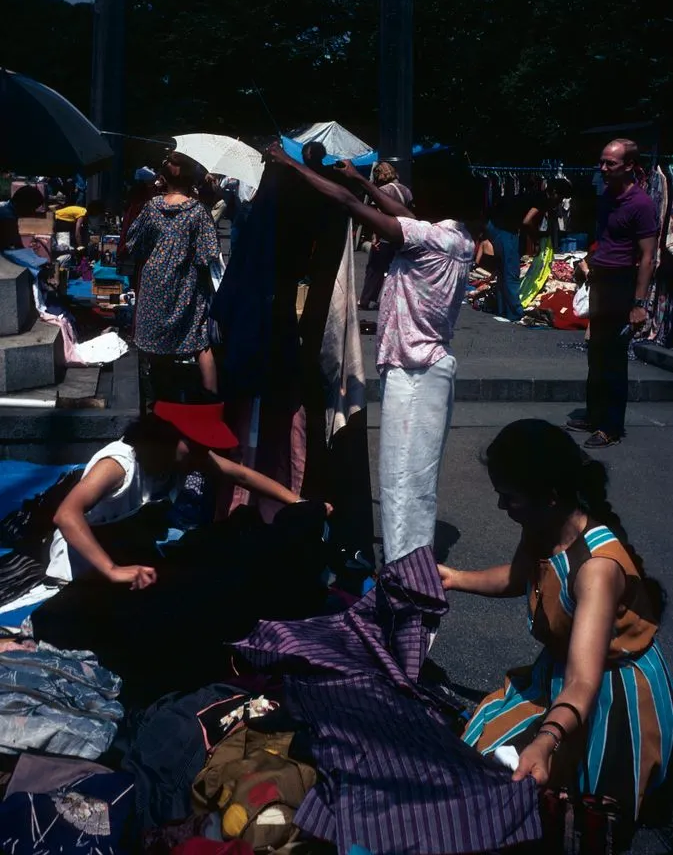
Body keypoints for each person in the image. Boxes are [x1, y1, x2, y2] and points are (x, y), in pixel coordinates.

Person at [439, 419, 672, 834]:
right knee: (485, 755)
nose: (499, 508)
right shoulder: (542, 526)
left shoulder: (596, 569)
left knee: (543, 797)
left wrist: (547, 740)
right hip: (569, 672)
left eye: (507, 498)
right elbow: (517, 577)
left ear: (548, 496)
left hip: (609, 692)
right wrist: (455, 578)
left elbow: (583, 683)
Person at [265, 142, 478, 564]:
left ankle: (405, 568)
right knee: (414, 474)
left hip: (415, 373)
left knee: (403, 479)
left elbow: (350, 205)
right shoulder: (458, 239)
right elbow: (402, 217)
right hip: (428, 369)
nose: (412, 196)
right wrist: (361, 179)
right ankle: (410, 561)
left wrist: (290, 164)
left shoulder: (428, 239)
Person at [52, 401, 332, 590]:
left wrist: (300, 504)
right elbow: (66, 514)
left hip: (126, 543)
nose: (201, 455)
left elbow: (241, 475)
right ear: (167, 436)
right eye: (196, 445)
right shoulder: (118, 465)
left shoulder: (184, 457)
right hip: (85, 559)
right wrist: (112, 570)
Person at [567, 140, 658, 449]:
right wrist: (588, 261)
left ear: (629, 165)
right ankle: (595, 415)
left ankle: (611, 427)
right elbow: (605, 239)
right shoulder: (606, 195)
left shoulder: (642, 204)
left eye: (610, 164)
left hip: (622, 283)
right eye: (602, 162)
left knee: (613, 358)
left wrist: (638, 304)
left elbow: (648, 257)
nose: (602, 169)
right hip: (601, 279)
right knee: (596, 353)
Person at [126, 152, 221, 395]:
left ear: (163, 178)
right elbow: (207, 254)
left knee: (157, 342)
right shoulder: (198, 211)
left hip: (154, 280)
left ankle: (160, 401)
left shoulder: (151, 207)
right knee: (200, 340)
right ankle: (211, 403)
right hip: (186, 281)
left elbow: (134, 244)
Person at [487, 182, 559, 322]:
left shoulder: (532, 194)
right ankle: (515, 313)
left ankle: (503, 310)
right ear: (555, 192)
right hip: (505, 228)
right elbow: (527, 221)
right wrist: (536, 237)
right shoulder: (542, 199)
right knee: (511, 272)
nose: (559, 201)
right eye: (560, 197)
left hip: (494, 225)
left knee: (503, 271)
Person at [357, 161, 414, 310]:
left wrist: (375, 236)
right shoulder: (406, 191)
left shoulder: (383, 191)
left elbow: (379, 216)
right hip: (402, 234)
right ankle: (397, 300)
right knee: (397, 269)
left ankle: (367, 299)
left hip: (385, 234)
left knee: (374, 269)